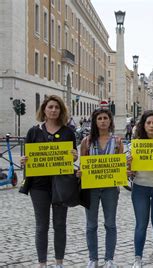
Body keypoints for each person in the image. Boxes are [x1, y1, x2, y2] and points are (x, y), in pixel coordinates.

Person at [21, 95, 78, 268]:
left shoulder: (68, 132)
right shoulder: (33, 131)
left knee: (60, 224)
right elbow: (27, 157)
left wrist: (74, 156)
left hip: (62, 184)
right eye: (50, 107)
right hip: (39, 186)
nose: (53, 110)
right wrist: (24, 160)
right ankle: (42, 263)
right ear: (44, 110)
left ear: (61, 111)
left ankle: (59, 262)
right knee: (41, 226)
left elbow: (73, 156)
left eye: (57, 107)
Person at [78, 108, 123, 268]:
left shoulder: (117, 142)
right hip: (91, 189)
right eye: (100, 118)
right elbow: (82, 163)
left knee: (110, 224)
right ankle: (93, 258)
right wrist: (80, 173)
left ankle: (109, 258)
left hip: (110, 189)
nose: (103, 121)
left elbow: (120, 165)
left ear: (110, 121)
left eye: (105, 118)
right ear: (95, 122)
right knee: (91, 225)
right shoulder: (87, 142)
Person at [129, 110, 153, 268]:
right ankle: (137, 258)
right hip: (140, 187)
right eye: (148, 123)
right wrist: (128, 164)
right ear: (143, 125)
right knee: (141, 224)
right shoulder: (135, 144)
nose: (151, 126)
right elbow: (130, 170)